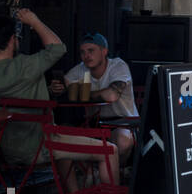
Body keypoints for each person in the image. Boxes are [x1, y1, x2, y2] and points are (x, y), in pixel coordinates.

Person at [0, 11, 118, 194]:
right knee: (111, 150)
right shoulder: (24, 65)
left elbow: (17, 97)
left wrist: (46, 90)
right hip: (39, 145)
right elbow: (57, 48)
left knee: (64, 147)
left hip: (4, 149)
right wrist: (34, 21)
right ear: (11, 40)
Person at [49, 31, 138, 168]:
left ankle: (117, 172)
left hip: (122, 122)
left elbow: (111, 95)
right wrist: (55, 88)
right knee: (63, 141)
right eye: (83, 52)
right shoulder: (81, 68)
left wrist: (85, 94)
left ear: (104, 51)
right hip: (93, 123)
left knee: (122, 142)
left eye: (91, 51)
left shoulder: (117, 65)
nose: (86, 56)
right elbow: (65, 82)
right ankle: (94, 176)